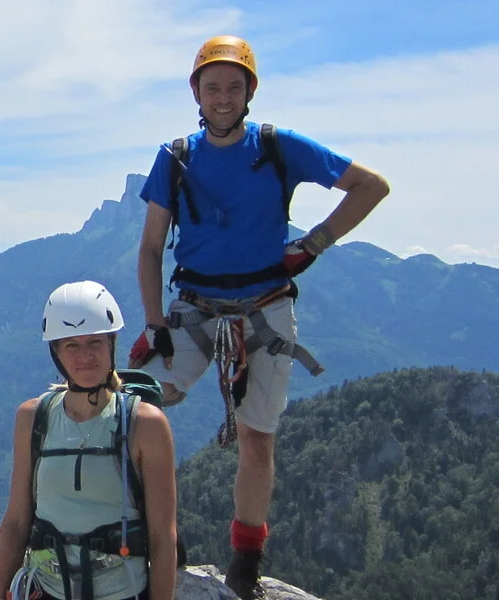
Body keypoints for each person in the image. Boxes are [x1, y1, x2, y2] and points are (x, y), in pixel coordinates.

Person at [130, 35, 392, 599]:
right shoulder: (175, 158)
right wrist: (155, 323)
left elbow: (371, 186)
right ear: (196, 95)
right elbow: (151, 248)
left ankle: (246, 558)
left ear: (249, 92)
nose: (222, 98)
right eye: (212, 87)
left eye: (233, 87)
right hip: (193, 309)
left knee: (257, 439)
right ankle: (161, 534)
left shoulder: (277, 146)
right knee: (135, 407)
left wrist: (316, 242)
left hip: (265, 311)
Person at [0, 282, 179, 600]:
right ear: (56, 352)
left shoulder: (145, 424)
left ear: (111, 344)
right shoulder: (33, 418)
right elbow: (16, 522)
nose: (86, 356)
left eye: (95, 342)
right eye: (71, 346)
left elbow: (163, 538)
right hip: (47, 590)